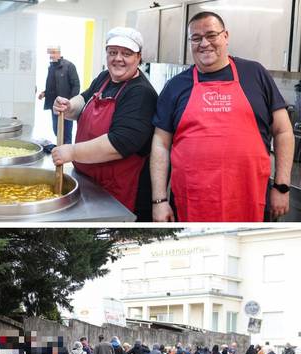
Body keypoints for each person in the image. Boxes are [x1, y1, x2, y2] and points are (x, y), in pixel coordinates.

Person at [151, 11, 293, 222]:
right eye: (196, 38)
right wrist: (159, 201)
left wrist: (282, 186)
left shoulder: (255, 74)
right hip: (192, 199)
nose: (204, 43)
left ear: (225, 36)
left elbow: (283, 131)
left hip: (250, 195)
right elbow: (160, 144)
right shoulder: (175, 86)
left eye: (211, 35)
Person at [51, 27, 157, 222]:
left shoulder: (141, 93)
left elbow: (118, 144)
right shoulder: (105, 78)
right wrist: (68, 105)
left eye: (126, 53)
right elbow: (83, 99)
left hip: (118, 194)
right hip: (90, 182)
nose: (118, 58)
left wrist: (72, 152)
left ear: (139, 57)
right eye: (113, 52)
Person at [38, 45, 80, 144]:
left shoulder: (69, 66)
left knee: (66, 133)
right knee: (56, 130)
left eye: (53, 53)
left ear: (59, 53)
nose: (51, 55)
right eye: (50, 53)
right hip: (54, 105)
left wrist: (70, 102)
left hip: (65, 106)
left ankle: (66, 153)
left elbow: (76, 85)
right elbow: (52, 85)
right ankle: (60, 150)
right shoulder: (51, 67)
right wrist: (44, 93)